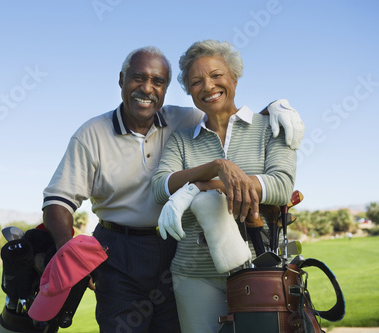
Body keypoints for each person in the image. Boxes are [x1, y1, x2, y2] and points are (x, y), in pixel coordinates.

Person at [41, 46, 302, 332]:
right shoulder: (94, 133)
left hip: (172, 245)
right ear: (121, 80)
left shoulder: (184, 120)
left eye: (158, 81)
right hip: (118, 250)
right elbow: (59, 200)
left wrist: (278, 104)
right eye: (138, 78)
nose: (147, 88)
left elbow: (228, 110)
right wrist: (70, 257)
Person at [151, 39, 297, 332]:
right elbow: (159, 188)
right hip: (194, 275)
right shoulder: (181, 140)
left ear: (233, 77)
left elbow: (281, 185)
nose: (207, 86)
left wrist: (197, 186)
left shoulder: (272, 127)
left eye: (216, 75)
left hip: (260, 270)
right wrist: (219, 168)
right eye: (196, 81)